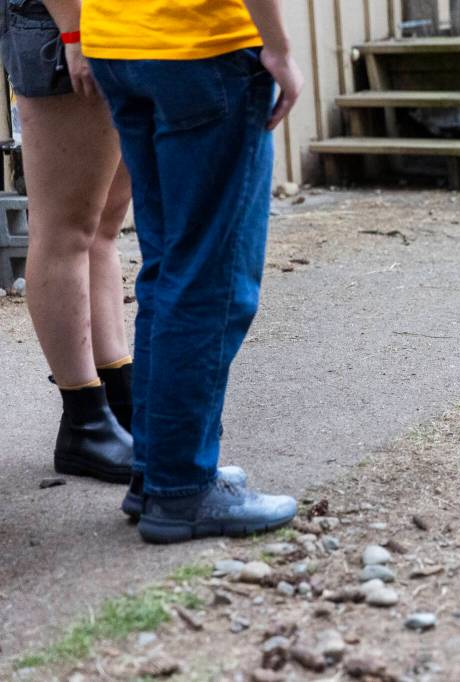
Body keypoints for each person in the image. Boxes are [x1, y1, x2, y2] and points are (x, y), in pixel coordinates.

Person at [80, 0, 303, 543]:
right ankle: (182, 488)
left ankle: (155, 474)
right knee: (209, 276)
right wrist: (278, 47)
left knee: (170, 265)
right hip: (202, 47)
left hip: (117, 45)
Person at [0, 0, 135, 484]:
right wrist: (76, 32)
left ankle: (118, 399)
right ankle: (85, 423)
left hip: (115, 21)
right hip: (66, 22)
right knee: (66, 229)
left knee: (101, 227)